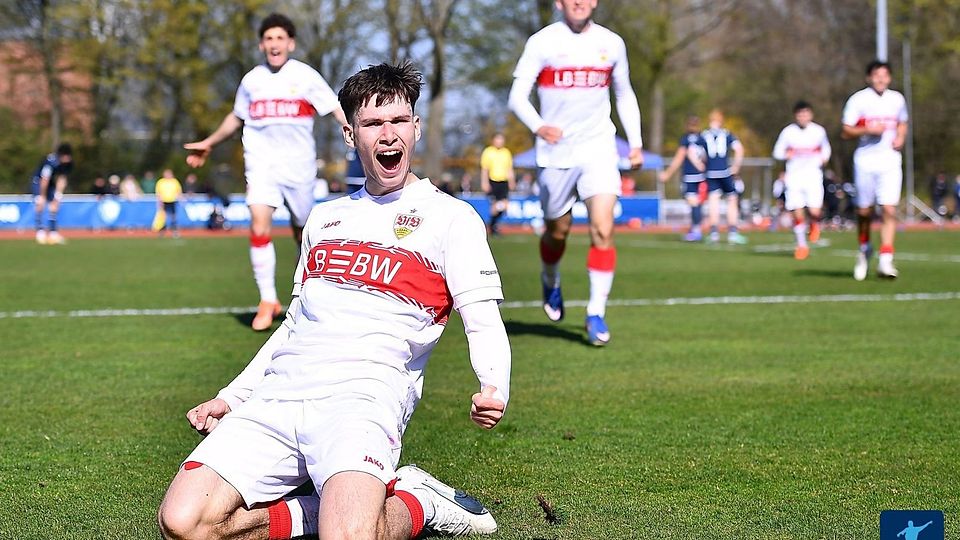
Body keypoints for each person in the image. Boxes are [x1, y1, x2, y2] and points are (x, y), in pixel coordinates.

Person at [158, 61, 511, 540]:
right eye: (372, 124)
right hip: (280, 394)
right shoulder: (324, 220)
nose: (388, 135)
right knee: (185, 522)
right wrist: (232, 397)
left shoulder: (451, 218)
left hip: (364, 398)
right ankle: (334, 505)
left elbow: (481, 316)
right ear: (350, 135)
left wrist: (494, 384)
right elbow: (293, 326)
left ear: (416, 127)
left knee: (348, 535)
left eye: (398, 121)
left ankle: (417, 503)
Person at [183, 13, 349, 331]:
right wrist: (209, 142)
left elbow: (332, 105)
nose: (274, 44)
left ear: (291, 43)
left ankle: (311, 294)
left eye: (280, 38)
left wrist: (348, 125)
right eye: (269, 39)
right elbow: (237, 117)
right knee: (259, 225)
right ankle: (268, 299)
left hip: (298, 166)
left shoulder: (305, 76)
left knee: (303, 232)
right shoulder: (251, 80)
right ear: (262, 45)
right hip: (261, 165)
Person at [508, 0, 644, 346]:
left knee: (603, 228)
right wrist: (539, 127)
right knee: (558, 231)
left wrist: (636, 142)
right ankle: (550, 279)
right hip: (556, 154)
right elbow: (517, 97)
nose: (579, 2)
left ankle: (596, 311)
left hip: (599, 148)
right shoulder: (542, 42)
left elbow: (624, 94)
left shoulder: (612, 43)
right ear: (560, 3)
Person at [841, 60, 908, 280]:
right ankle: (864, 249)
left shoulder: (897, 99)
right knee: (864, 212)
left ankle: (886, 259)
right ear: (869, 77)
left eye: (885, 75)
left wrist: (900, 137)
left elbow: (902, 122)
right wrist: (867, 129)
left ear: (889, 78)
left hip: (890, 161)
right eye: (876, 75)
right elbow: (846, 131)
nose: (881, 79)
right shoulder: (859, 100)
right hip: (865, 161)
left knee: (889, 209)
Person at [772, 100, 832, 260]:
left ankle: (814, 224)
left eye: (805, 113)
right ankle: (801, 246)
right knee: (797, 213)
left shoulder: (818, 131)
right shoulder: (788, 132)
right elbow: (777, 152)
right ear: (795, 116)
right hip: (794, 178)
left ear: (810, 115)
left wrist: (823, 159)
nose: (803, 117)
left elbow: (826, 149)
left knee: (814, 211)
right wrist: (786, 155)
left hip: (813, 176)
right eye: (800, 114)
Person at [690, 109, 746, 245]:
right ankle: (732, 232)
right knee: (732, 199)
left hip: (710, 172)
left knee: (713, 200)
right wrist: (736, 166)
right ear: (721, 120)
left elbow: (692, 152)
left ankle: (714, 232)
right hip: (725, 171)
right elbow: (739, 149)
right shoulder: (727, 134)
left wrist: (700, 166)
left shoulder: (704, 135)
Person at [659, 115, 706, 241]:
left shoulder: (686, 139)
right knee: (697, 202)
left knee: (693, 202)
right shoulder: (703, 138)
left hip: (690, 176)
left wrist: (668, 173)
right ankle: (696, 228)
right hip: (703, 176)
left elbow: (679, 157)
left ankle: (696, 230)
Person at [31, 143, 73, 245]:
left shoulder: (68, 164)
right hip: (39, 182)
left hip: (51, 184)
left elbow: (62, 179)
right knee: (40, 204)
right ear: (61, 155)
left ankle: (53, 233)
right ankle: (40, 232)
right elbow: (44, 180)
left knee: (54, 206)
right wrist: (42, 195)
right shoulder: (50, 162)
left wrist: (58, 196)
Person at [479, 133, 515, 235]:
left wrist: (512, 181)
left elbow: (509, 169)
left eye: (501, 139)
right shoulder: (488, 152)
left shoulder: (506, 152)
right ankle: (493, 227)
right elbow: (485, 169)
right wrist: (484, 182)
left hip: (504, 182)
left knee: (504, 205)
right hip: (493, 181)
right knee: (494, 206)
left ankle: (493, 223)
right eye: (498, 139)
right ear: (493, 140)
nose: (500, 141)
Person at [156, 169, 184, 238]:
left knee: (173, 217)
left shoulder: (174, 181)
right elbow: (158, 193)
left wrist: (181, 199)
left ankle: (174, 231)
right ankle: (162, 231)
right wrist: (159, 201)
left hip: (172, 201)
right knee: (163, 217)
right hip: (164, 201)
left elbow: (179, 191)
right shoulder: (161, 182)